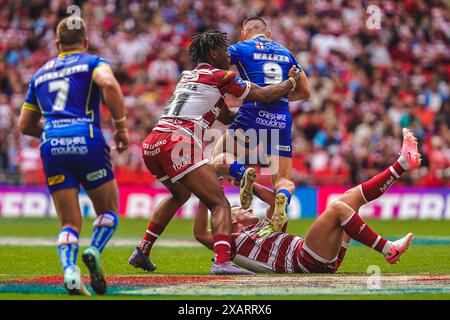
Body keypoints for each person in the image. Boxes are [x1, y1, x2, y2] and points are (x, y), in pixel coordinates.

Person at [128, 30, 302, 275]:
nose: (227, 54)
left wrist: (247, 116)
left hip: (153, 143)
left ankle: (143, 250)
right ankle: (222, 262)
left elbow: (228, 116)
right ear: (212, 53)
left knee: (179, 196)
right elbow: (263, 95)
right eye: (223, 49)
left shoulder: (189, 77)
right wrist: (290, 82)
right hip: (178, 142)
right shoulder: (222, 76)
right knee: (219, 202)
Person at [194, 128, 421, 274]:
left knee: (350, 197)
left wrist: (249, 185)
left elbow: (274, 201)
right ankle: (388, 249)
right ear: (233, 221)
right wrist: (209, 192)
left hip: (316, 257)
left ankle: (402, 164)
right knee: (339, 209)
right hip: (303, 261)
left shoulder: (264, 226)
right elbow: (200, 234)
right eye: (240, 210)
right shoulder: (231, 242)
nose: (249, 208)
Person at [18, 16, 129, 295]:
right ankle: (93, 249)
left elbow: (25, 125)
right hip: (86, 139)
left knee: (69, 223)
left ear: (57, 43)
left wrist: (55, 130)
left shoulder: (40, 74)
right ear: (86, 41)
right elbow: (111, 86)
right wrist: (121, 128)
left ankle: (70, 272)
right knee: (108, 211)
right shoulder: (93, 63)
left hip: (52, 145)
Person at [211, 17, 311, 233]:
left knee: (219, 159)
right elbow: (305, 91)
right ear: (268, 34)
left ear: (244, 33)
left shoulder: (240, 48)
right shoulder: (286, 53)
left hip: (252, 114)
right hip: (281, 119)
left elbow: (214, 65)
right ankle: (283, 197)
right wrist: (280, 97)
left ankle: (242, 171)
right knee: (283, 181)